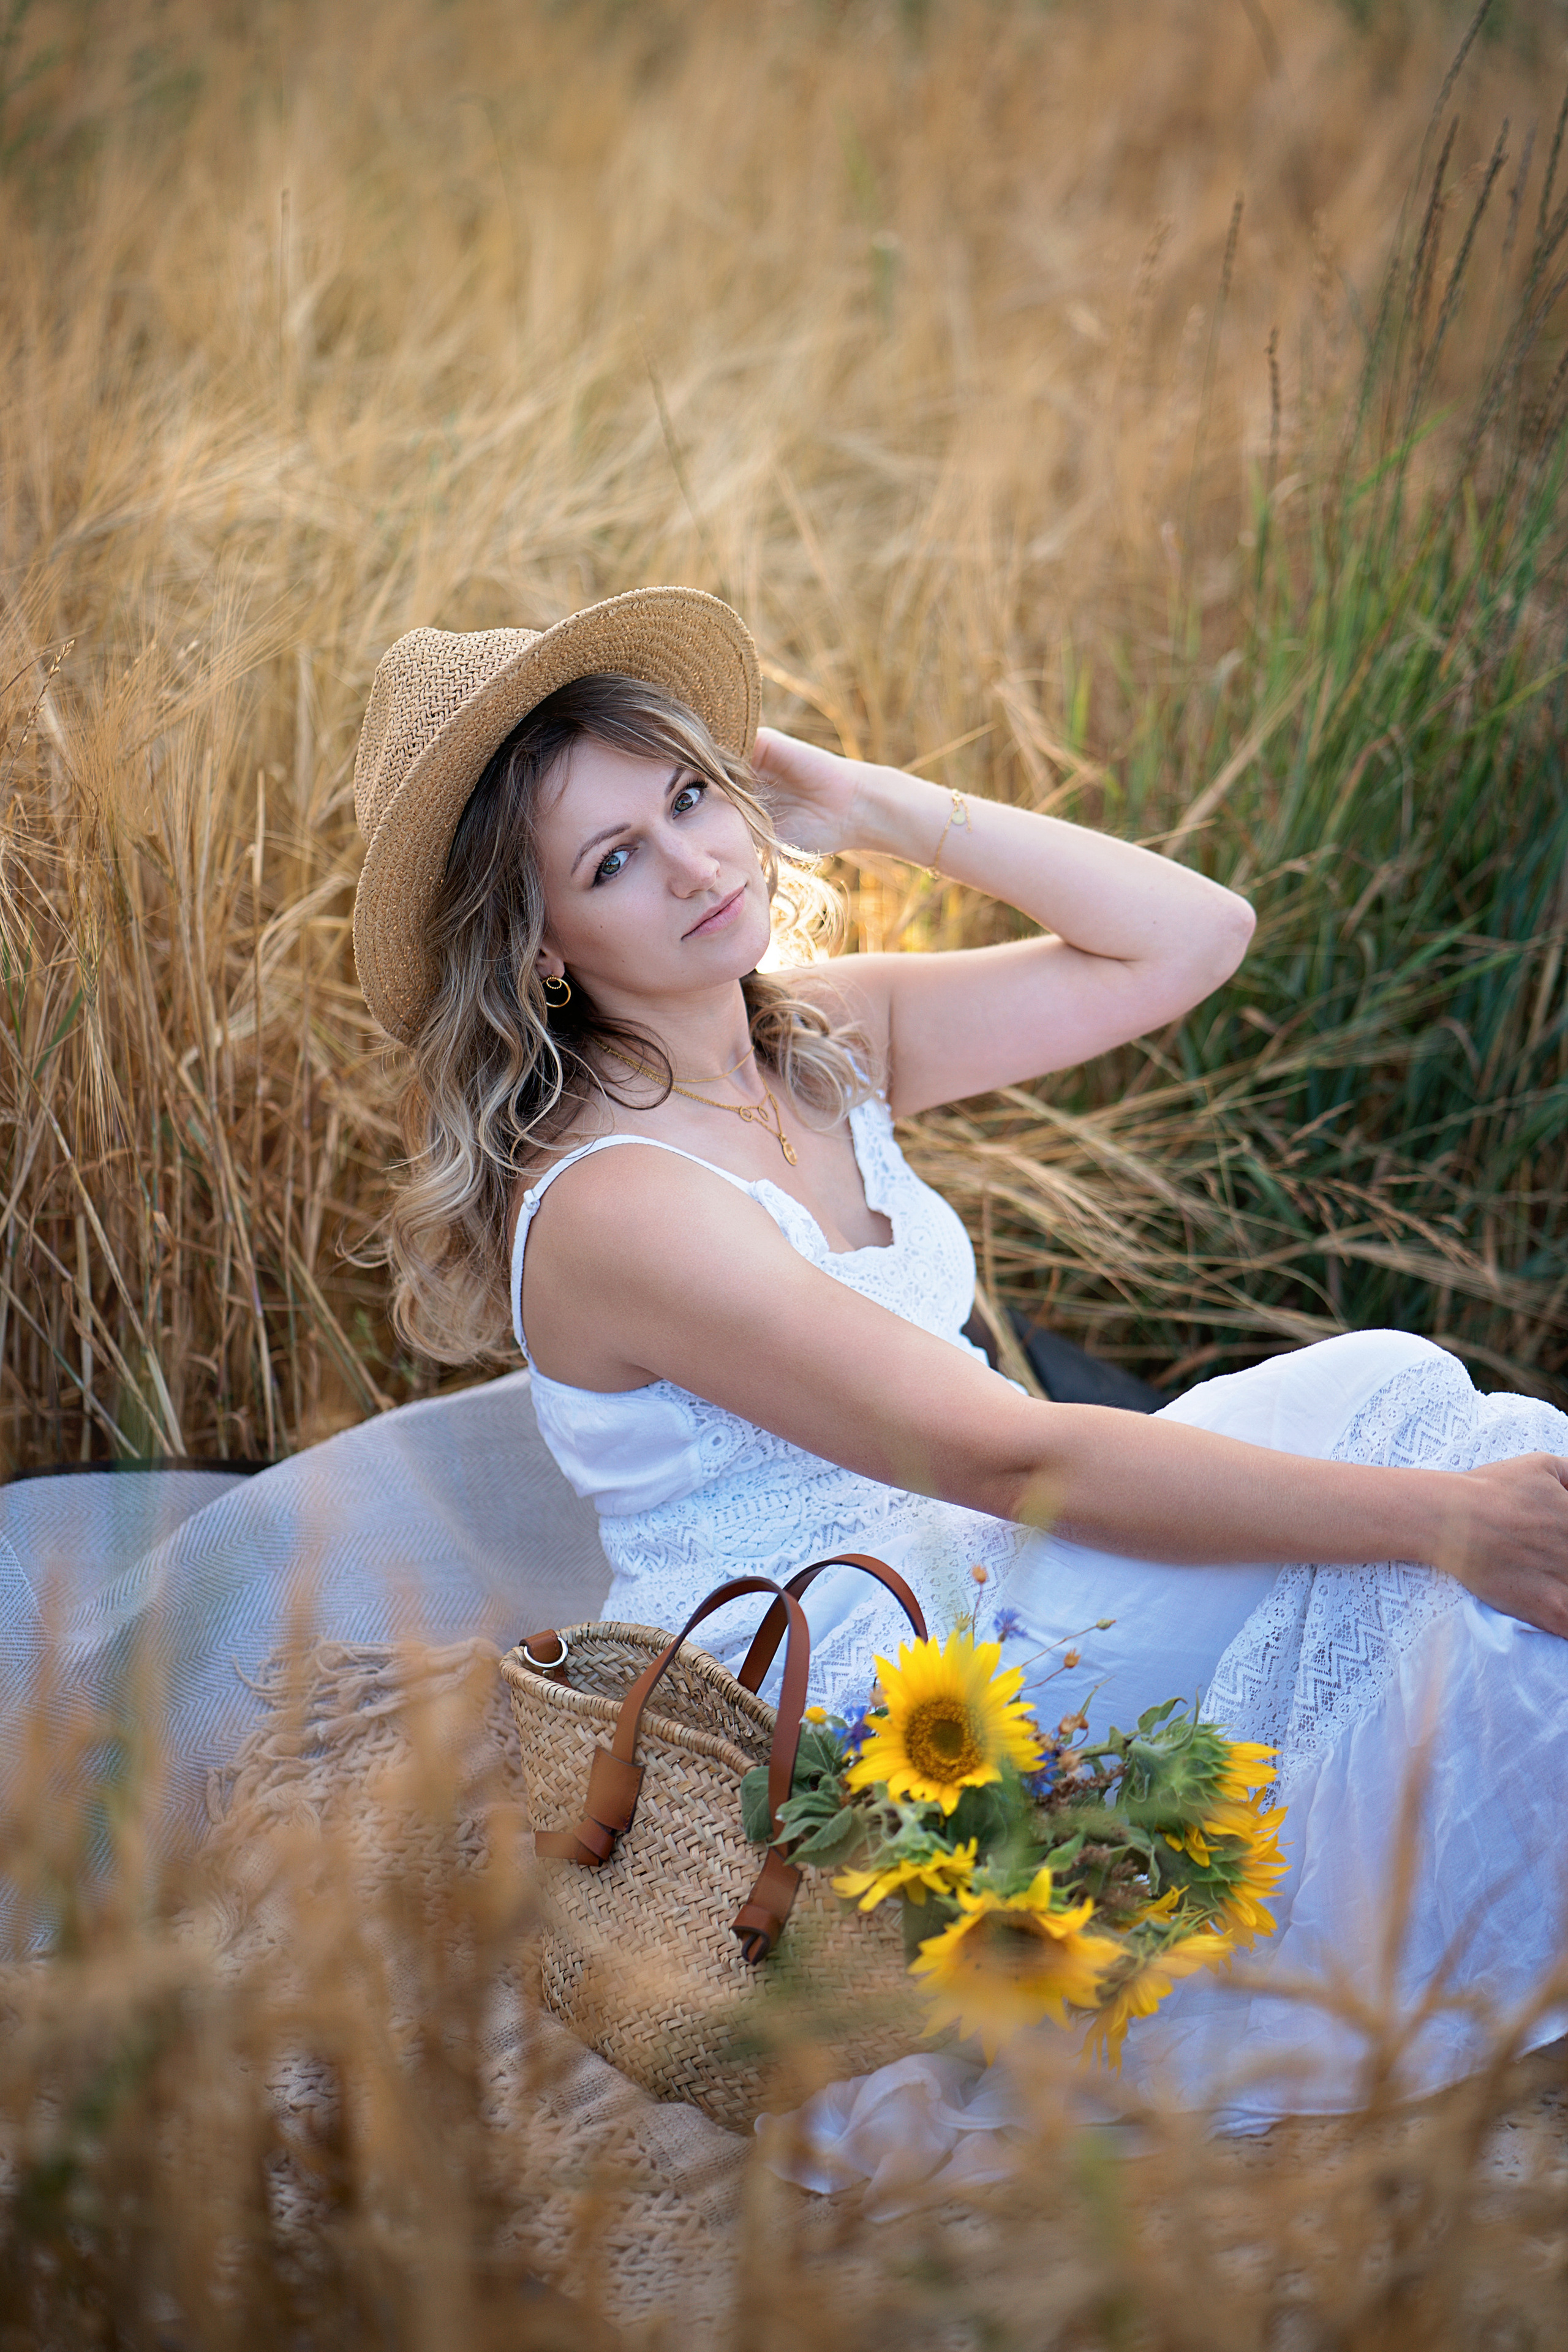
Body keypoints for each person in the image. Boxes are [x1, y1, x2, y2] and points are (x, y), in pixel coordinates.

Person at [346, 586, 1568, 2175]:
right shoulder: (621, 1203)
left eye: (694, 796)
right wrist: (1447, 1529)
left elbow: (1196, 938)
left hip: (992, 1565)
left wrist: (872, 805)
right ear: (539, 948)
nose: (700, 865)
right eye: (613, 862)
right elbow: (1008, 1457)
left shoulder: (814, 1040)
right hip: (865, 1687)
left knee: (1419, 1400)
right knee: (1438, 1522)